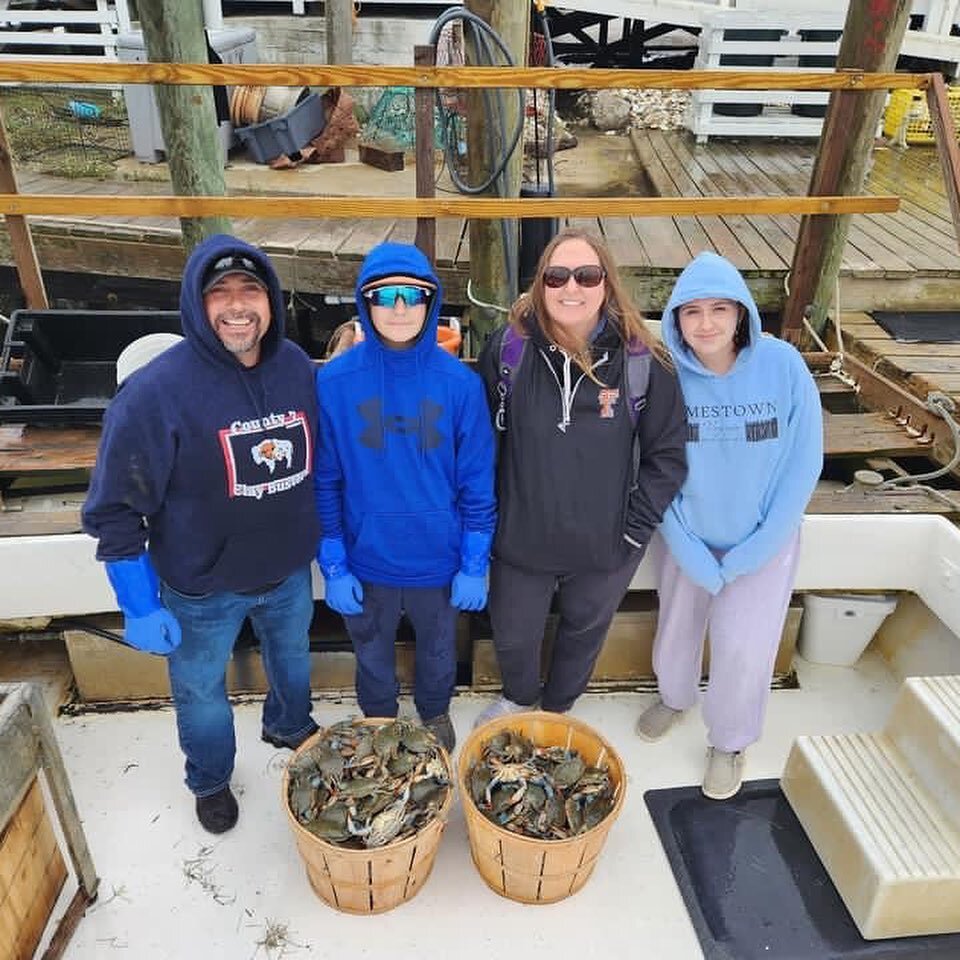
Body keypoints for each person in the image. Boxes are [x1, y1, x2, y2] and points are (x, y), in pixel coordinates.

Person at [82, 235, 320, 834]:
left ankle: (289, 725)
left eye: (251, 291)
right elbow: (113, 509)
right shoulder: (153, 394)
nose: (237, 307)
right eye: (219, 294)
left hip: (289, 571)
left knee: (292, 660)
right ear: (195, 304)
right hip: (200, 588)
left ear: (271, 301)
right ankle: (210, 779)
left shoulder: (294, 364)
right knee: (201, 693)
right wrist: (137, 602)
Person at [474, 229, 687, 725]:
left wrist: (633, 530)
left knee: (585, 630)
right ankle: (519, 697)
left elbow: (668, 455)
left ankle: (559, 708)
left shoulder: (643, 362)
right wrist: (486, 523)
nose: (572, 287)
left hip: (606, 543)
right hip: (521, 540)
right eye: (557, 275)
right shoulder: (509, 351)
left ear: (606, 285)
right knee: (513, 633)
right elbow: (478, 441)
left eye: (587, 275)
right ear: (541, 284)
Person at [635, 251, 823, 801]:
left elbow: (803, 462)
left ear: (742, 313)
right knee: (676, 626)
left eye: (721, 308)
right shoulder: (665, 374)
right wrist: (686, 545)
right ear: (675, 320)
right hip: (686, 537)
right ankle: (675, 696)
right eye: (691, 312)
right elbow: (651, 462)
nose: (707, 323)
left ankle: (731, 739)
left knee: (745, 644)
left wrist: (754, 550)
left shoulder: (784, 366)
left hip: (762, 540)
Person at [314, 242, 496, 753]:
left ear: (430, 302)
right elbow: (325, 478)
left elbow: (477, 481)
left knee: (438, 650)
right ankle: (377, 720)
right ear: (365, 303)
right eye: (385, 295)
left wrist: (474, 562)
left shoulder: (460, 384)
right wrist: (333, 561)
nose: (398, 308)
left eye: (411, 296)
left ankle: (435, 711)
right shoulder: (333, 382)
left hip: (438, 561)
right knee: (370, 652)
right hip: (366, 560)